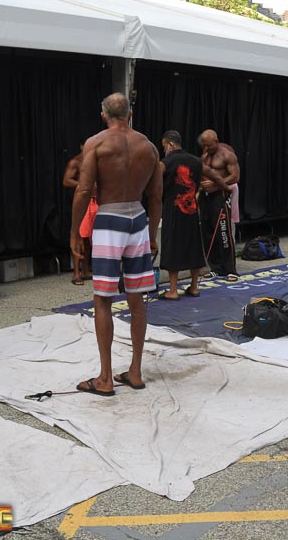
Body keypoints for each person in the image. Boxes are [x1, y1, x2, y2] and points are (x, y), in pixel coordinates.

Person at [70, 92, 162, 396]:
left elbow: (84, 190)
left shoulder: (96, 143)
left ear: (103, 115)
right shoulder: (148, 146)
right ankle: (135, 372)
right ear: (130, 114)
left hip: (110, 219)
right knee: (137, 299)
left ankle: (105, 379)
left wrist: (74, 233)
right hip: (137, 218)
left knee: (103, 299)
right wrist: (152, 234)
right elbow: (156, 197)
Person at [158, 130, 230, 300]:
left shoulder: (166, 162)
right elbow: (213, 174)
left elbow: (153, 179)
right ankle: (194, 287)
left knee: (172, 246)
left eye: (164, 147)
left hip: (173, 212)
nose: (164, 150)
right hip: (191, 212)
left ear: (170, 144)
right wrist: (226, 187)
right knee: (194, 246)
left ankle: (173, 290)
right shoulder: (196, 161)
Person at [199, 129, 240, 281]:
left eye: (209, 145)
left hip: (220, 195)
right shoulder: (204, 156)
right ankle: (215, 268)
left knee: (223, 232)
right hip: (206, 197)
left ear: (216, 141)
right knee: (207, 232)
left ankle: (230, 269)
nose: (207, 148)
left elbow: (235, 176)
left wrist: (216, 183)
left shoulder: (227, 155)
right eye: (204, 145)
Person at [62, 146, 94, 285]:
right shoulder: (75, 162)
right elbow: (66, 180)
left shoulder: (95, 161)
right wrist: (83, 185)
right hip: (83, 203)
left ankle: (85, 270)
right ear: (82, 146)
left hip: (96, 202)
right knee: (80, 237)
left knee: (89, 240)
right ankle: (76, 273)